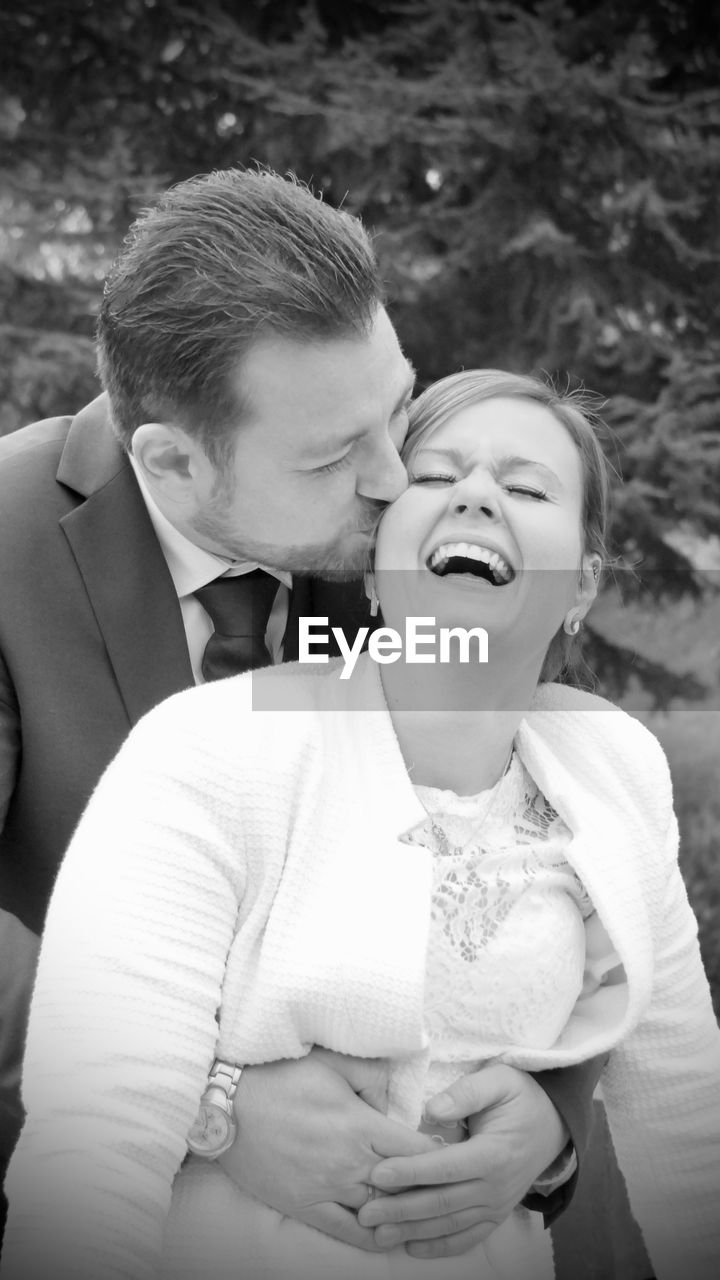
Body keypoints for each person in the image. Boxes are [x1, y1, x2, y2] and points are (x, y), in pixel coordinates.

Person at [0, 169, 600, 1258]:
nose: (394, 474)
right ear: (172, 463)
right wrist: (208, 1100)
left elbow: (549, 817)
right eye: (331, 457)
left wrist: (552, 1110)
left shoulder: (422, 528)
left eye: (399, 405)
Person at [3, 370, 718, 1280]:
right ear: (375, 563)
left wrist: (556, 1122)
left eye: (527, 487)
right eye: (435, 477)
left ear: (580, 585)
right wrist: (221, 1106)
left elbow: (687, 1121)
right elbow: (94, 1146)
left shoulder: (613, 764)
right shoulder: (210, 748)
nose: (476, 495)